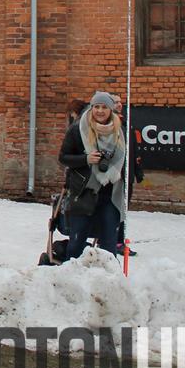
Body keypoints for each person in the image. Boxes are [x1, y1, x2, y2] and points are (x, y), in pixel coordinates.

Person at [58, 92, 127, 260]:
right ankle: (72, 271)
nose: (100, 111)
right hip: (84, 193)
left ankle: (109, 274)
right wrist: (85, 159)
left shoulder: (120, 131)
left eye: (104, 107)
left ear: (111, 110)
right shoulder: (78, 129)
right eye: (96, 107)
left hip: (111, 194)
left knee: (109, 245)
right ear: (91, 108)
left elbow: (124, 162)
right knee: (77, 242)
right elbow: (63, 157)